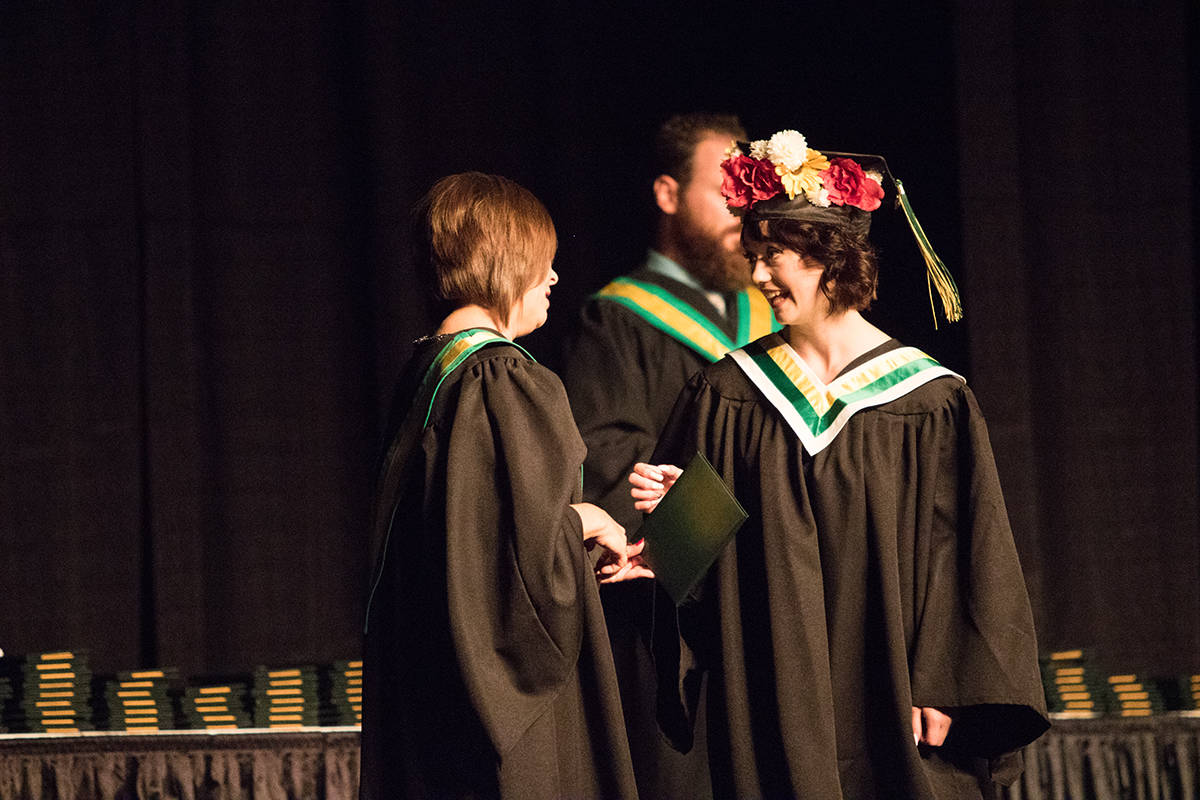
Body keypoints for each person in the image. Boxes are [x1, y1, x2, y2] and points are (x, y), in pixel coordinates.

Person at [631, 131, 1049, 799]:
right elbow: (693, 576)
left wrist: (943, 685)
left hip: (895, 705)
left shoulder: (929, 402)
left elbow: (958, 555)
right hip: (769, 702)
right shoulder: (728, 395)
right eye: (753, 256)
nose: (759, 275)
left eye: (774, 257)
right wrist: (673, 521)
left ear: (833, 257)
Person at [359, 172, 642, 800]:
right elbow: (510, 564)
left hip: (436, 687)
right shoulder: (503, 379)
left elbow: (466, 536)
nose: (553, 279)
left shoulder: (429, 370)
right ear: (504, 262)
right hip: (502, 711)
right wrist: (586, 524)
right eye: (544, 263)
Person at [563, 112, 777, 798]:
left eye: (749, 194)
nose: (741, 212)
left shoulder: (776, 312)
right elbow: (607, 452)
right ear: (666, 194)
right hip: (672, 611)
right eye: (725, 191)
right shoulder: (619, 318)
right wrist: (711, 523)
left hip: (771, 594)